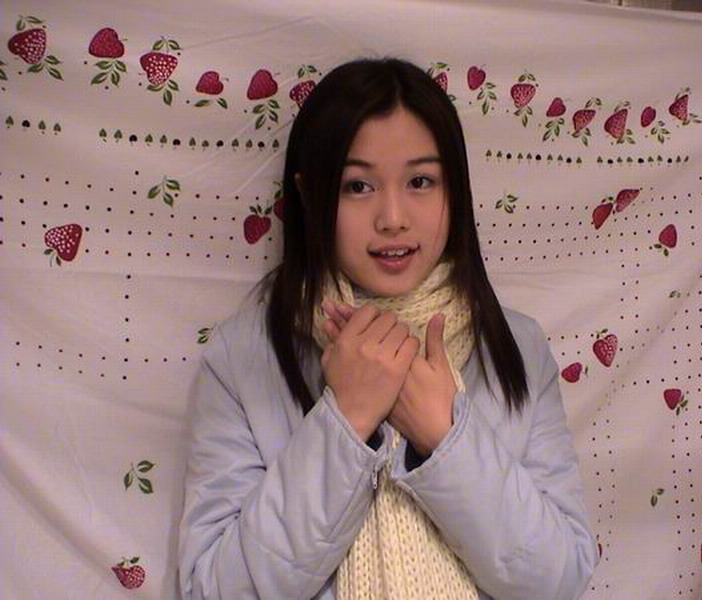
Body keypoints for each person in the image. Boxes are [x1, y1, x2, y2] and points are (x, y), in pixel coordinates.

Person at [178, 56, 598, 600]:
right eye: (357, 186)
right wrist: (347, 420)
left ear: (455, 191)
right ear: (308, 195)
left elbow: (558, 581)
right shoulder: (242, 358)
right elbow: (212, 589)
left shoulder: (518, 347)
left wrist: (446, 438)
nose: (393, 218)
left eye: (421, 181)